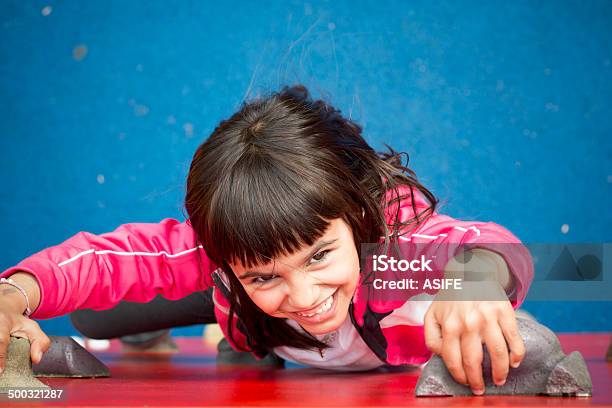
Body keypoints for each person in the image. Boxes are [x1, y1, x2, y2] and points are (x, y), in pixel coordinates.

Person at [0, 85, 533, 395]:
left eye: (320, 254)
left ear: (358, 218)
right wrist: (14, 294)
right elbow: (110, 260)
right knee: (96, 317)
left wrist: (476, 283)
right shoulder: (222, 259)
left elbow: (485, 244)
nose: (305, 298)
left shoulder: (393, 256)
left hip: (261, 304)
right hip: (246, 312)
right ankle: (221, 309)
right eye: (265, 270)